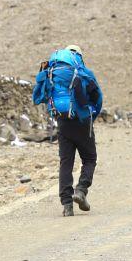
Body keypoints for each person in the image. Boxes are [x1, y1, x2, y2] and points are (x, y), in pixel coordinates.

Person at [33, 44, 103, 216]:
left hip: (62, 121)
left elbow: (38, 97)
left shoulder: (52, 74)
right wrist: (91, 116)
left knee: (66, 163)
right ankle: (80, 190)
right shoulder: (83, 73)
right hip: (83, 122)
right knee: (89, 158)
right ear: (79, 56)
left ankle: (67, 205)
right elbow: (97, 98)